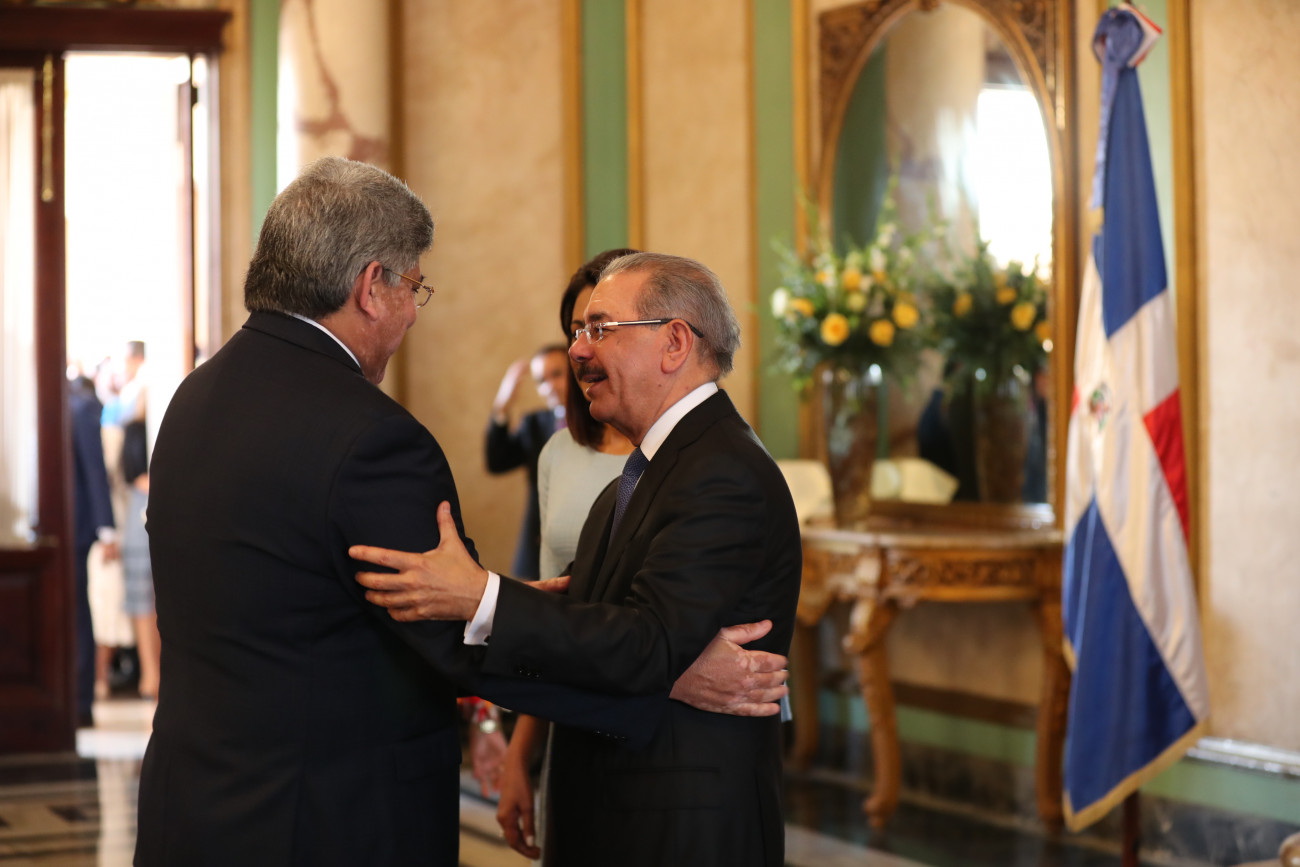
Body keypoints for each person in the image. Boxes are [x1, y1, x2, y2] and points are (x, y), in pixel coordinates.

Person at [135, 157, 788, 867]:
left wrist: (501, 601)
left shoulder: (195, 400)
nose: (414, 311)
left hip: (195, 805)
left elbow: (318, 596)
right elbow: (456, 633)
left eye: (602, 328)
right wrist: (670, 673)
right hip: (323, 819)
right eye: (413, 286)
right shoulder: (369, 439)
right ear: (371, 287)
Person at [353, 251, 804, 866]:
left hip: (677, 833)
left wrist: (483, 597)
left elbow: (644, 646)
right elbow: (595, 627)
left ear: (674, 343)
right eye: (577, 332)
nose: (578, 351)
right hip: (615, 814)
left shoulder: (722, 473)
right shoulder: (643, 475)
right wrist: (484, 604)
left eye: (600, 329)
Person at [485, 343, 569, 578]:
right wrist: (503, 404)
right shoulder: (535, 424)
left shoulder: (600, 421)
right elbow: (497, 462)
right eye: (541, 380)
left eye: (557, 374)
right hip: (537, 546)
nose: (549, 386)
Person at [68, 368, 117, 728]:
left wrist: (106, 529)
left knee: (78, 613)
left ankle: (81, 700)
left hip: (77, 528)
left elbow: (93, 469)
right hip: (54, 526)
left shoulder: (80, 406)